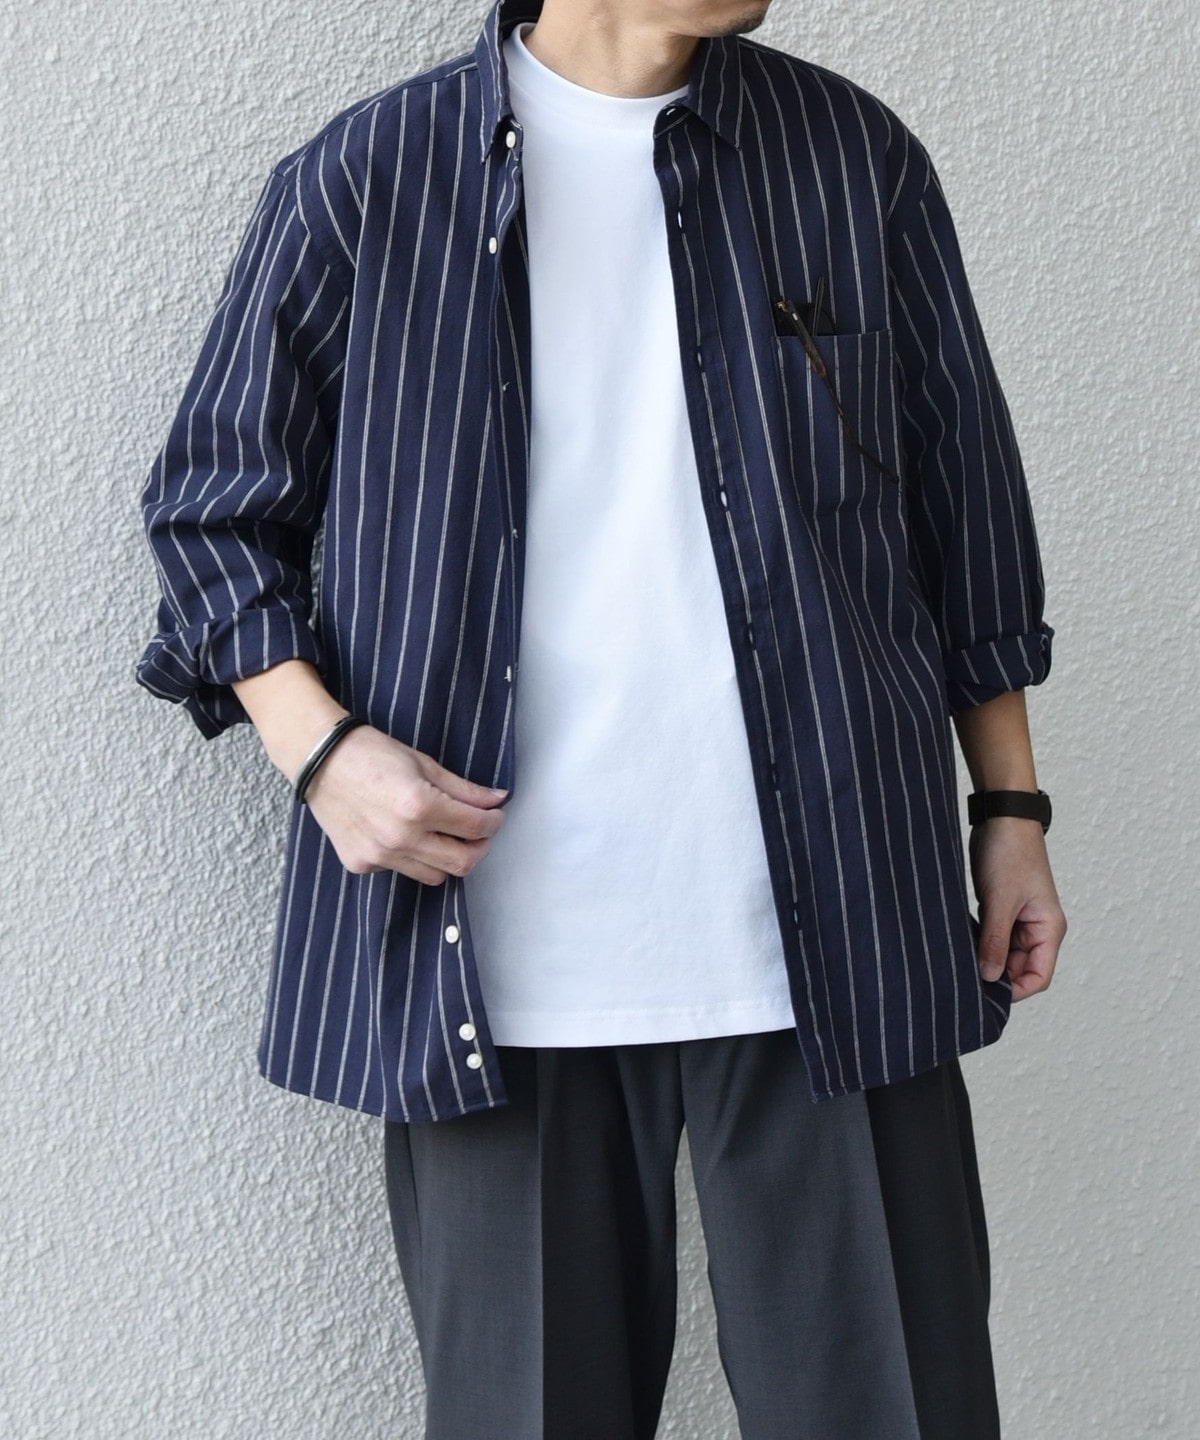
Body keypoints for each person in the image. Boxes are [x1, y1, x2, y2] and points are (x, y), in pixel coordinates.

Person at [134, 0, 1067, 1434]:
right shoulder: (372, 178)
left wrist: (1009, 810)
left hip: (842, 923)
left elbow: (967, 515)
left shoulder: (851, 156)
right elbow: (212, 511)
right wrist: (320, 752)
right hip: (492, 964)